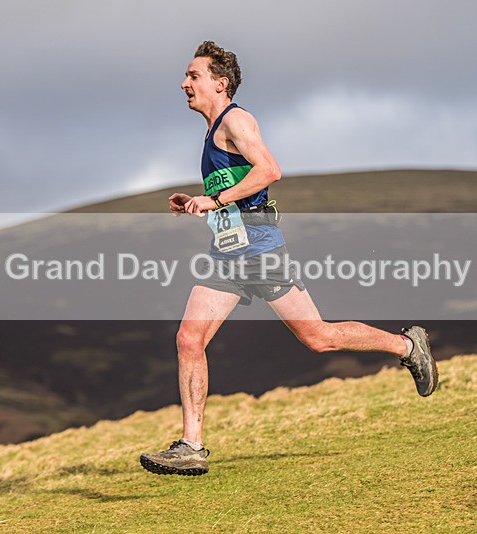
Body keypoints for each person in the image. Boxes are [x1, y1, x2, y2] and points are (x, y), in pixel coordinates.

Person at [140, 41, 437, 476]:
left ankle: (408, 346)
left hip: (259, 248)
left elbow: (269, 171)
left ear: (220, 83)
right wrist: (198, 201)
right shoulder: (211, 130)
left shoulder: (235, 119)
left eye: (194, 75)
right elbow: (239, 184)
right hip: (226, 252)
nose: (184, 83)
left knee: (319, 337)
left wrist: (215, 199)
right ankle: (191, 446)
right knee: (189, 339)